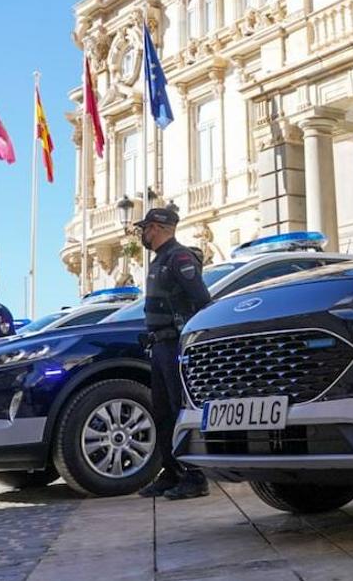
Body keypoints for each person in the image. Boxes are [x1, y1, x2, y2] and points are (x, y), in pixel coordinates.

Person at [133, 206, 212, 500]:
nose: (143, 234)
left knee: (181, 410)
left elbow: (201, 300)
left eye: (145, 228)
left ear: (156, 227)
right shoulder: (159, 261)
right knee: (163, 413)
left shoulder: (179, 258)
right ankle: (172, 472)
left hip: (175, 345)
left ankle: (195, 476)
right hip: (159, 346)